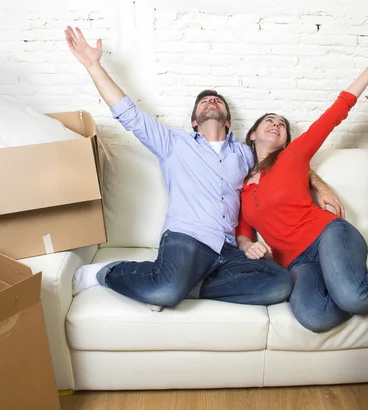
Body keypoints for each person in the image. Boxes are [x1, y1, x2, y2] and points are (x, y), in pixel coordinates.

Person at [64, 26, 342, 311]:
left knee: (279, 283)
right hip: (188, 238)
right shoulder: (172, 143)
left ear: (228, 122)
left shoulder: (245, 154)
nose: (212, 100)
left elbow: (282, 163)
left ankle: (187, 285)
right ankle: (105, 273)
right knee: (166, 290)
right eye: (204, 101)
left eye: (218, 100)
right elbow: (128, 113)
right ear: (194, 121)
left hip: (227, 249)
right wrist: (93, 65)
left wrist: (319, 186)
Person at [236, 30, 368, 332]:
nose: (276, 125)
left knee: (354, 298)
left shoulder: (292, 157)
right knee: (314, 317)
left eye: (281, 124)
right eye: (269, 120)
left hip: (328, 235)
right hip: (298, 263)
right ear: (252, 134)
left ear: (285, 141)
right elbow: (243, 231)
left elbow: (336, 112)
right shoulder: (242, 186)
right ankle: (358, 280)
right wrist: (247, 247)